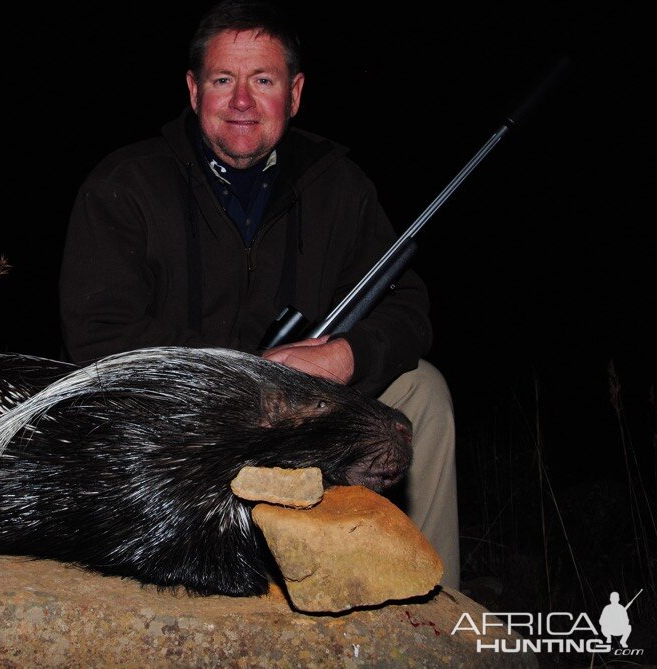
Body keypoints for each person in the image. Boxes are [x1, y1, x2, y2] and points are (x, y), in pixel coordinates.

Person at [58, 0, 459, 589]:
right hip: (178, 420)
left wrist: (341, 358)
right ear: (194, 90)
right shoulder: (125, 184)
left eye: (263, 80)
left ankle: (434, 604)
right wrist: (244, 384)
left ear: (294, 94)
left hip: (306, 412)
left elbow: (408, 308)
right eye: (223, 80)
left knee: (424, 390)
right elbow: (99, 340)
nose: (242, 101)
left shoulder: (340, 185)